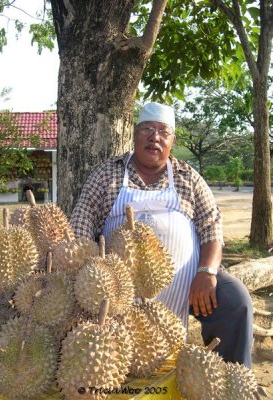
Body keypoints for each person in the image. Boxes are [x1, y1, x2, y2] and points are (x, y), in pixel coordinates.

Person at [70, 102, 253, 368]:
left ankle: (232, 383)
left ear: (172, 141)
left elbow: (212, 227)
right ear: (135, 134)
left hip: (189, 281)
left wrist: (207, 271)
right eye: (147, 129)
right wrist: (90, 270)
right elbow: (81, 223)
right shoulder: (108, 173)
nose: (154, 137)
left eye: (163, 132)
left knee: (236, 301)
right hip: (118, 282)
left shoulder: (187, 177)